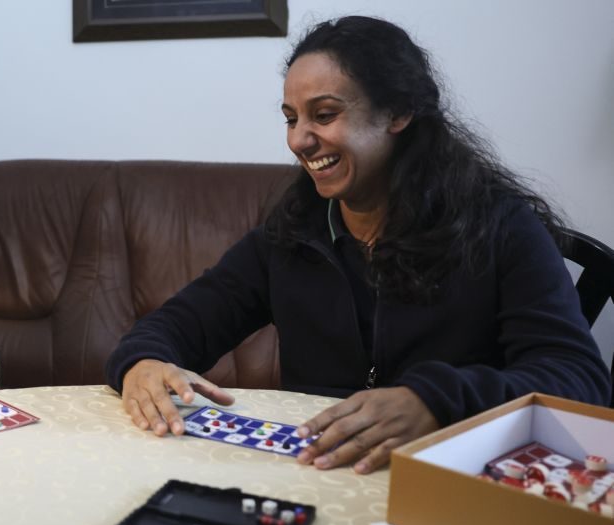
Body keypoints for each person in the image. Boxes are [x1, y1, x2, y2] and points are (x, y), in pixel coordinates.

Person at [105, 16, 610, 474]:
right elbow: (175, 326)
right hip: (317, 479)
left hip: (449, 487)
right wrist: (143, 363)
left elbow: (579, 381)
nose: (299, 140)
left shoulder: (500, 226)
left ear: (398, 113)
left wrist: (435, 401)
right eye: (290, 118)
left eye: (323, 115)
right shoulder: (290, 235)